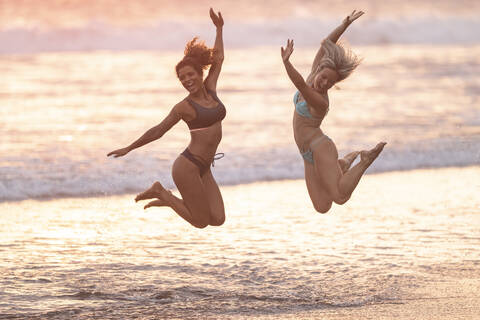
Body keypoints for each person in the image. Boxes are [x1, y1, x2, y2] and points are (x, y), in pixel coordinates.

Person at [108, 8, 226, 228]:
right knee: (201, 222)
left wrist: (219, 29)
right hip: (187, 167)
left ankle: (167, 198)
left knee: (217, 219)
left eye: (190, 74)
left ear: (200, 74)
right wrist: (129, 147)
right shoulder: (184, 107)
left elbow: (218, 59)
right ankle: (163, 193)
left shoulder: (211, 89)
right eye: (182, 78)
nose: (187, 80)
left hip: (205, 167)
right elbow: (158, 130)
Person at [280, 10, 386, 213]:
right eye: (324, 77)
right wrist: (344, 24)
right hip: (306, 153)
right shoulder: (313, 76)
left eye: (330, 82)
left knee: (339, 197)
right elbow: (326, 43)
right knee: (322, 206)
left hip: (321, 148)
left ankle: (364, 161)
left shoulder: (320, 101)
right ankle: (342, 164)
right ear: (319, 69)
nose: (324, 83)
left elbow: (300, 84)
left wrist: (286, 63)